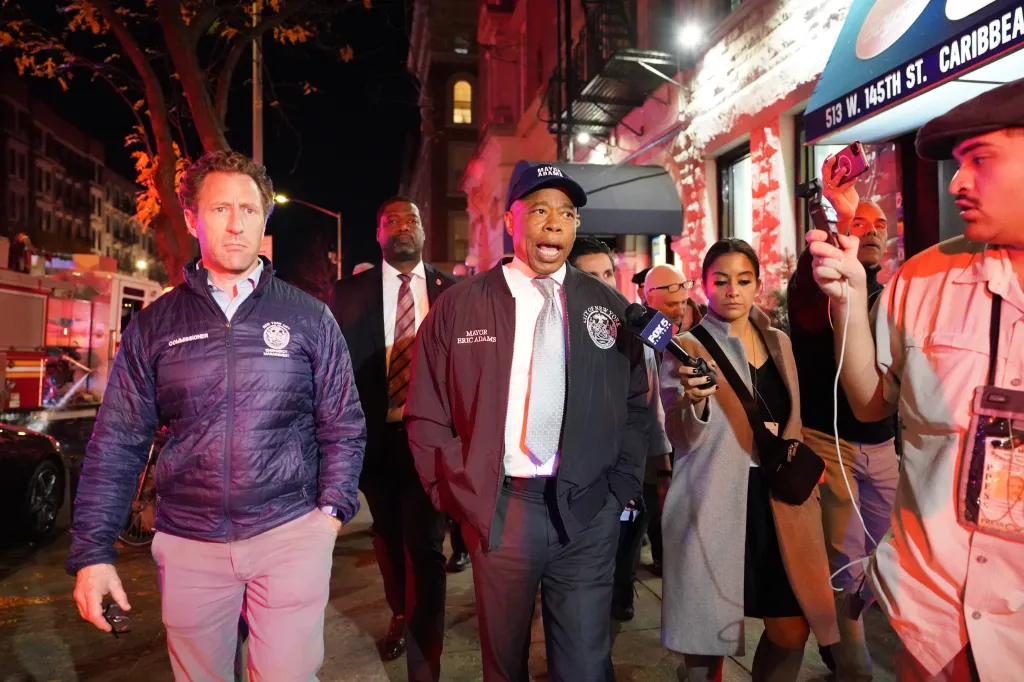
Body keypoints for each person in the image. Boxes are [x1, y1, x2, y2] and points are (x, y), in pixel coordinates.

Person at [67, 150, 367, 682]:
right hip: (189, 544)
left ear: (264, 219)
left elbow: (342, 422)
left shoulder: (309, 317)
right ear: (191, 218)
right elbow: (117, 441)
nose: (236, 225)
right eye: (220, 209)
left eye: (249, 210)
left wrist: (331, 514)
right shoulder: (155, 326)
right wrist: (92, 552)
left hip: (290, 533)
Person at [808, 78, 1024, 682]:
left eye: (981, 161)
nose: (957, 183)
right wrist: (849, 299)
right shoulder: (924, 278)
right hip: (932, 620)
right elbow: (871, 403)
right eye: (958, 165)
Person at [405, 160, 650, 682]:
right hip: (500, 510)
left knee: (585, 666)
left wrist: (619, 490)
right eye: (539, 209)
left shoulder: (608, 308)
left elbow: (635, 404)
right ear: (511, 220)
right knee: (504, 662)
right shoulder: (459, 307)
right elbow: (425, 410)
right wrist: (455, 493)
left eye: (566, 212)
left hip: (586, 511)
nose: (555, 223)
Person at [659, 239, 838, 682]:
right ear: (704, 285)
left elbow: (793, 420)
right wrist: (693, 403)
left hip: (780, 502)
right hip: (714, 502)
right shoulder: (684, 347)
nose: (733, 290)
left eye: (743, 280)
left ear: (758, 285)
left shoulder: (778, 341)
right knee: (707, 637)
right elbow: (678, 435)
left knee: (792, 628)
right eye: (721, 280)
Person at [330, 196, 457, 681]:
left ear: (425, 232)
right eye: (392, 221)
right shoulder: (348, 293)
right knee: (386, 534)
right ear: (379, 234)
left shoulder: (453, 290)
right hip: (374, 441)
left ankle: (427, 649)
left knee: (425, 543)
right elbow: (335, 367)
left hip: (431, 438)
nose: (403, 228)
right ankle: (401, 611)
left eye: (413, 220)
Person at [788, 197, 898, 680]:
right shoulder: (817, 282)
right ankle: (851, 657)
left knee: (893, 546)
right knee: (845, 555)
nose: (872, 232)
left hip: (884, 442)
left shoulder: (893, 291)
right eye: (860, 223)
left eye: (880, 225)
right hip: (829, 439)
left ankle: (843, 633)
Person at [567, 238, 671, 621]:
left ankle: (620, 597)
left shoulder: (636, 324)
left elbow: (650, 401)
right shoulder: (556, 329)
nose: (603, 283)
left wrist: (653, 465)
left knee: (626, 547)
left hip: (631, 465)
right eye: (590, 276)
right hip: (575, 476)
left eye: (608, 273)